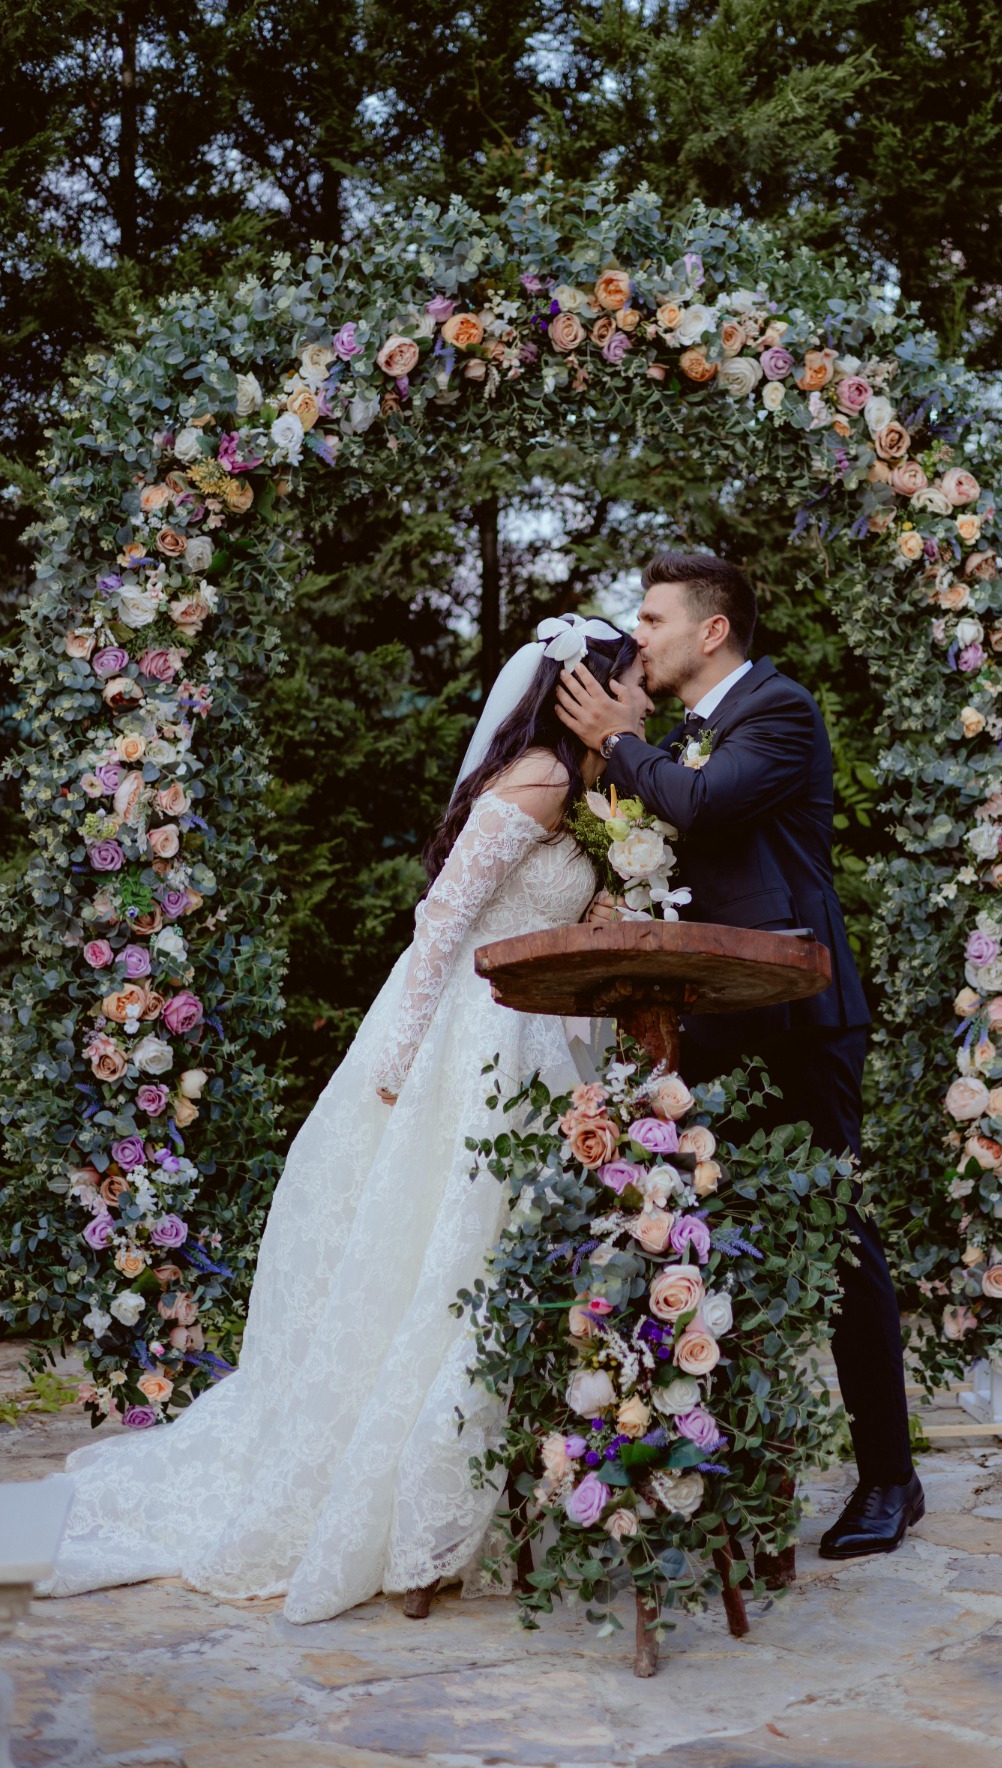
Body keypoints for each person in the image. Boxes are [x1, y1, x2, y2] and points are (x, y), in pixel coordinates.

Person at [43, 615, 651, 1623]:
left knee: (492, 1258)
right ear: (586, 692)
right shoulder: (543, 777)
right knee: (448, 1258)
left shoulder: (589, 794)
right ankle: (409, 1500)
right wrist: (400, 1061)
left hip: (539, 1041)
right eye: (633, 681)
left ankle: (476, 1491)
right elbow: (442, 920)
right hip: (472, 1038)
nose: (647, 698)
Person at [556, 550, 923, 1560]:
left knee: (840, 1240)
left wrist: (620, 741)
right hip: (711, 1021)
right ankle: (734, 1477)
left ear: (711, 630)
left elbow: (706, 805)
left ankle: (890, 1478)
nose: (638, 635)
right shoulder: (679, 739)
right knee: (701, 1243)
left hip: (801, 1018)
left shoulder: (779, 710)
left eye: (652, 618)